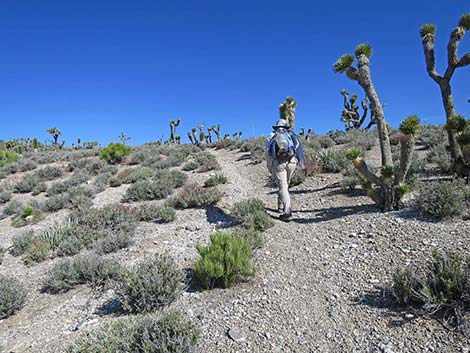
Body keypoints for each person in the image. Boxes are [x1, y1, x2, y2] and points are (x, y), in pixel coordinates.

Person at [266, 119, 306, 221]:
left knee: (282, 186)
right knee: (285, 185)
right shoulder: (291, 135)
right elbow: (299, 149)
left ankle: (287, 212)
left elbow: (267, 153)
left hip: (279, 163)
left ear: (276, 126)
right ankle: (280, 207)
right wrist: (302, 164)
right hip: (292, 161)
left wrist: (269, 166)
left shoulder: (272, 135)